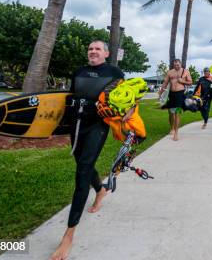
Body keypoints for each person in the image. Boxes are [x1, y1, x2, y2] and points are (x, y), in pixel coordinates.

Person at [51, 40, 124, 260]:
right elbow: (69, 100)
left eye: (97, 49)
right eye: (90, 49)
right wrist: (54, 127)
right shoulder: (79, 71)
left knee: (82, 169)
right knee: (83, 163)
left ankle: (68, 235)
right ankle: (100, 190)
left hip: (97, 126)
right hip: (77, 124)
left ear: (106, 53)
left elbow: (123, 100)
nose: (93, 51)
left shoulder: (115, 72)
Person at [158, 59, 192, 141]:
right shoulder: (170, 72)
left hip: (180, 94)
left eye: (178, 65)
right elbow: (165, 83)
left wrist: (182, 81)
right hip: (171, 94)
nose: (176, 66)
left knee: (177, 113)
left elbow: (190, 82)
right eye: (175, 65)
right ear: (173, 65)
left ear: (180, 64)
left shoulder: (186, 71)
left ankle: (176, 133)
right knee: (170, 113)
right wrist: (160, 93)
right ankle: (172, 128)